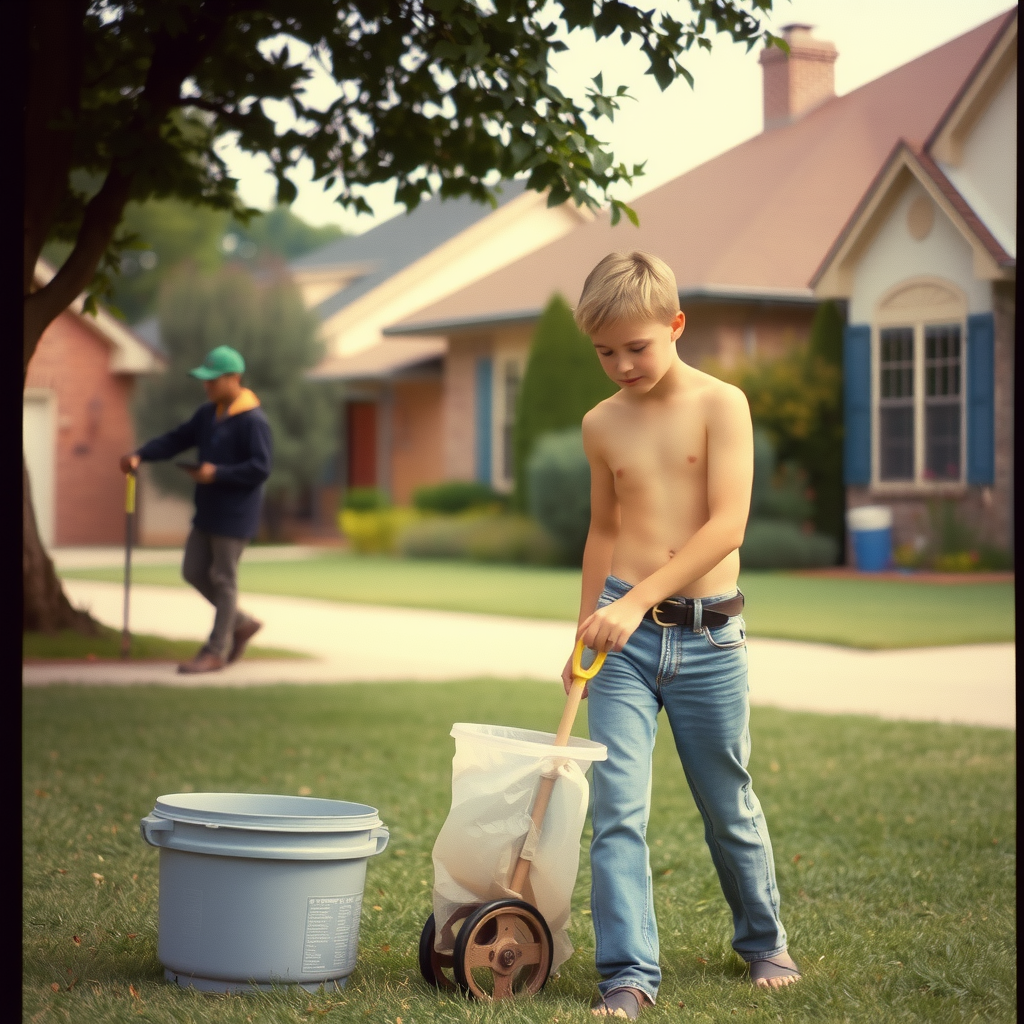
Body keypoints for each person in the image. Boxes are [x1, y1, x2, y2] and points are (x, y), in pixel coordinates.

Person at [562, 252, 799, 1019]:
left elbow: (726, 526)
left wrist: (636, 604)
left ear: (676, 325)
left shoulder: (722, 404)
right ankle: (627, 976)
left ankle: (763, 941)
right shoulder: (601, 423)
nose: (622, 364)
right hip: (622, 648)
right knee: (617, 810)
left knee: (726, 802)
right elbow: (604, 529)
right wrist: (585, 633)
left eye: (637, 346)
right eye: (605, 352)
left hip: (708, 639)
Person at [120, 345, 272, 674]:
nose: (207, 386)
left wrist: (217, 473)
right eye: (205, 381)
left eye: (213, 380)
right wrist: (141, 454)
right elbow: (176, 439)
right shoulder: (208, 414)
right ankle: (242, 623)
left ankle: (216, 650)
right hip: (207, 511)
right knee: (193, 571)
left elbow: (261, 468)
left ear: (234, 379)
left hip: (235, 515)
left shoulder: (253, 421)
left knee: (222, 579)